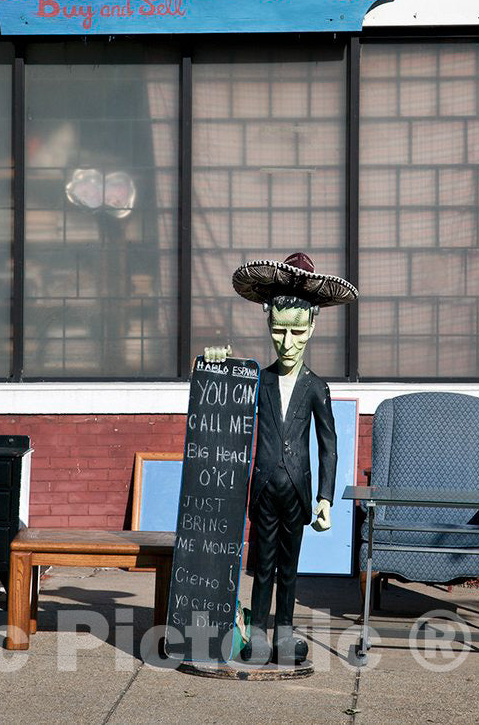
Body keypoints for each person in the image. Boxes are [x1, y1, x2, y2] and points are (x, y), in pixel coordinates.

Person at [208, 251, 358, 666]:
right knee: (263, 566)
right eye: (278, 332)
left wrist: (326, 498)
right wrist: (218, 364)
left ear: (312, 326)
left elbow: (329, 445)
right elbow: (225, 403)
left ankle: (286, 634)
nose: (287, 343)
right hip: (262, 492)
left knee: (290, 570)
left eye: (296, 332)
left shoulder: (316, 388)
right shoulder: (259, 379)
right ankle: (257, 637)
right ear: (268, 326)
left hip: (297, 491)